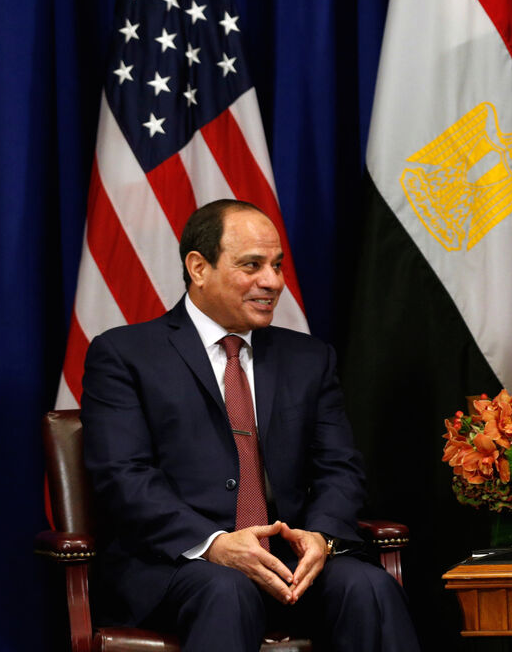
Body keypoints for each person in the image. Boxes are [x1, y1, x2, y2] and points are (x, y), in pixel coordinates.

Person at [82, 199, 418, 652]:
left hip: (289, 562)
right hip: (177, 565)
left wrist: (320, 535)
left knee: (370, 587)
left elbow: (339, 467)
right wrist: (215, 543)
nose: (273, 282)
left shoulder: (309, 358)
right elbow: (123, 477)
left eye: (277, 265)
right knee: (227, 590)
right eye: (252, 265)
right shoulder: (125, 355)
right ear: (199, 268)